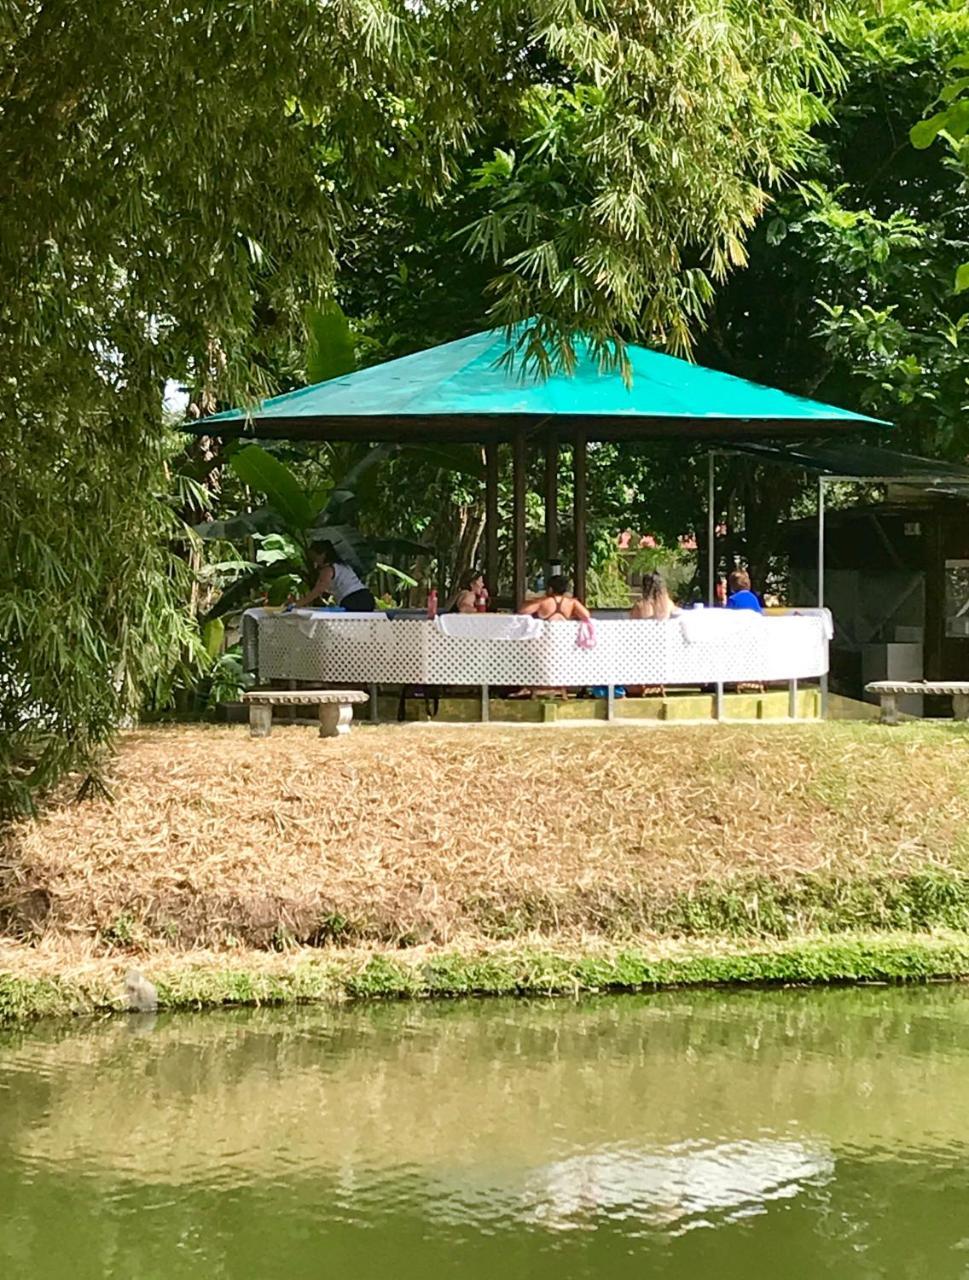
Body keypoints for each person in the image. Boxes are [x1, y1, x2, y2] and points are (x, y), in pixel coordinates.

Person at [292, 543, 376, 612]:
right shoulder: (343, 565)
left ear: (323, 554)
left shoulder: (328, 569)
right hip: (367, 597)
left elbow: (319, 589)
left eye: (315, 557)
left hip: (353, 600)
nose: (314, 561)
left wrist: (298, 604)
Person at [518, 574, 591, 622]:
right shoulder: (572, 602)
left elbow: (522, 611)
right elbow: (586, 615)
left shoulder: (543, 601)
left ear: (550, 589)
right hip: (563, 637)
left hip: (545, 638)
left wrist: (534, 601)